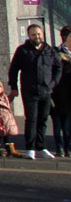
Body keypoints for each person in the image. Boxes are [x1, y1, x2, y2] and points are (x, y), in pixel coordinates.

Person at [8, 23, 63, 159]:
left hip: (46, 90)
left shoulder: (49, 50)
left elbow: (58, 68)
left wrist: (53, 83)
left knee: (43, 120)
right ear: (29, 36)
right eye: (33, 34)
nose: (37, 37)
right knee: (31, 120)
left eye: (38, 34)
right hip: (30, 91)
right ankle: (30, 148)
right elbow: (13, 69)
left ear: (42, 34)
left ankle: (41, 147)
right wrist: (14, 87)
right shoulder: (23, 50)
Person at [0, 79, 21, 157]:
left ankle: (8, 150)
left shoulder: (3, 96)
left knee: (6, 136)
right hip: (1, 122)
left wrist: (12, 95)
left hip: (6, 120)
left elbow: (7, 101)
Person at [52, 26, 71, 157]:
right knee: (58, 124)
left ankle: (68, 148)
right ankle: (59, 148)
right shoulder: (55, 52)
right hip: (57, 92)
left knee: (68, 126)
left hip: (69, 94)